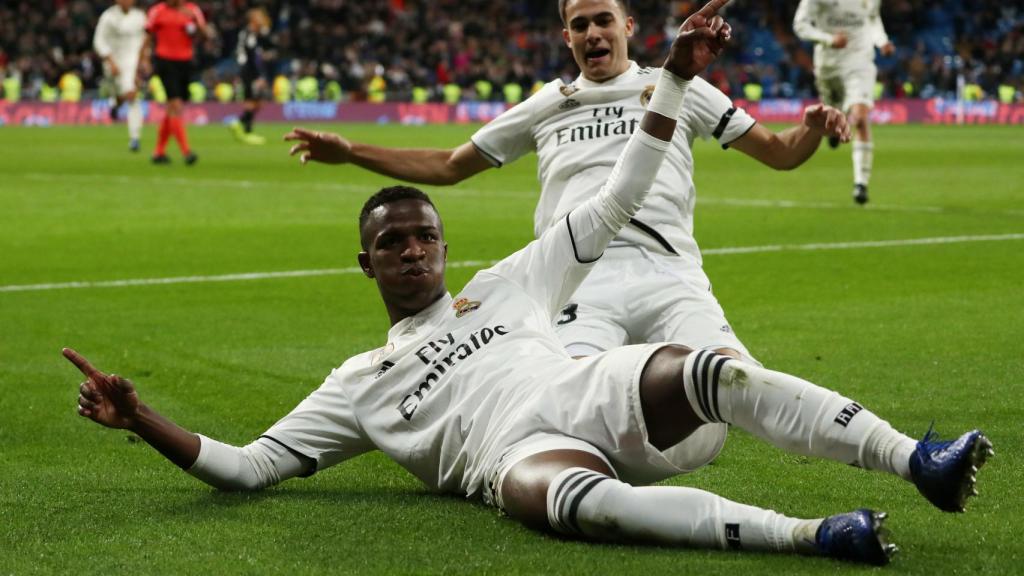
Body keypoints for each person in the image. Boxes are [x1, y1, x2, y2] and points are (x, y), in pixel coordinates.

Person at [71, 3, 991, 565]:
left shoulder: (509, 280)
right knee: (575, 503)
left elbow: (626, 194)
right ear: (366, 264)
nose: (412, 252)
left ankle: (916, 460)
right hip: (525, 435)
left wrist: (676, 81)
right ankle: (814, 535)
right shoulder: (359, 382)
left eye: (423, 238)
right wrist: (142, 418)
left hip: (643, 300)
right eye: (392, 243)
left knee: (715, 377)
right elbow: (248, 467)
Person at [285, 0, 849, 369]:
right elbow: (450, 165)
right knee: (576, 396)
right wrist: (351, 152)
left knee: (734, 377)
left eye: (603, 19)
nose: (592, 32)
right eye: (580, 25)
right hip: (577, 278)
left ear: (627, 26)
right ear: (567, 37)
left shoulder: (678, 85)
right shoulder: (548, 103)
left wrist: (812, 129)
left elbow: (779, 154)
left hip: (668, 270)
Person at [794, 0, 894, 205]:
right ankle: (833, 130)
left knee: (860, 118)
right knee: (832, 114)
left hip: (859, 62)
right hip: (828, 66)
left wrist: (881, 41)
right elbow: (800, 25)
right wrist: (829, 39)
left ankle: (861, 183)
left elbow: (872, 19)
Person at [139, 0, 212, 165]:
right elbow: (148, 36)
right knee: (176, 105)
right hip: (165, 61)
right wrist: (144, 59)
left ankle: (158, 152)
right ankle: (187, 152)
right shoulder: (157, 11)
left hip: (185, 62)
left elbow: (206, 34)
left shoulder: (192, 10)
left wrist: (194, 20)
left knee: (173, 108)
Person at [93, 0, 146, 152]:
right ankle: (115, 104)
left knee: (132, 94)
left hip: (132, 61)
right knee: (120, 94)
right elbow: (98, 41)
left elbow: (145, 40)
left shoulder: (140, 17)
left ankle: (135, 138)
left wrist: (144, 60)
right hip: (113, 61)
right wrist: (110, 61)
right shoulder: (108, 17)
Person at [230, 7, 274, 146]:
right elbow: (250, 57)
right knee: (252, 100)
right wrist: (259, 76)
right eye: (259, 17)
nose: (262, 20)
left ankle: (244, 128)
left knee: (257, 102)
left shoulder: (250, 34)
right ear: (253, 20)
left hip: (248, 70)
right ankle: (244, 128)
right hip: (249, 71)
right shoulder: (249, 33)